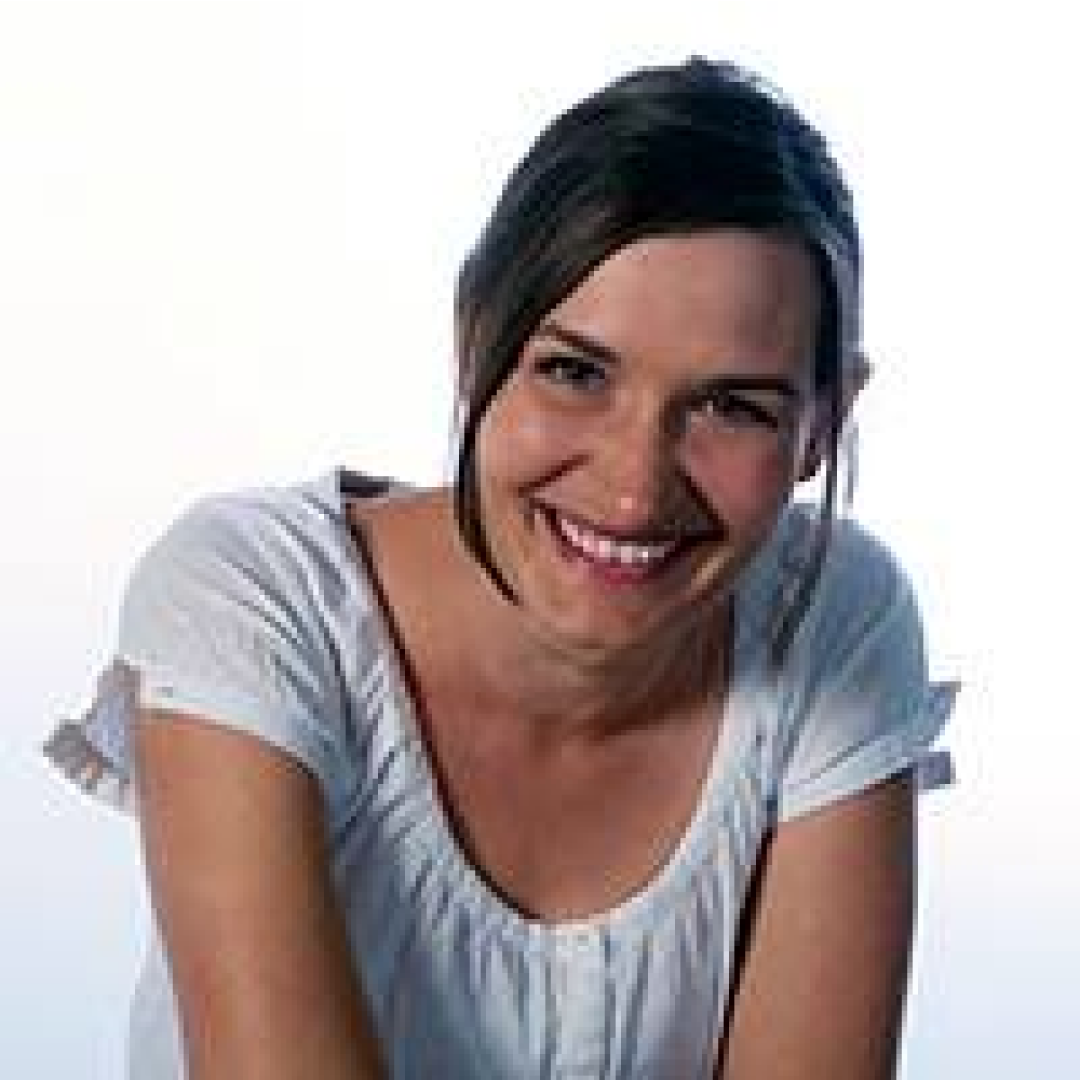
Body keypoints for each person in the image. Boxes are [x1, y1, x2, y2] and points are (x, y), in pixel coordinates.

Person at [45, 56, 955, 1079]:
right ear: (474, 338)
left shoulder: (833, 617)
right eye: (575, 372)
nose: (633, 493)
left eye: (732, 406)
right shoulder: (248, 600)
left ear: (826, 420)